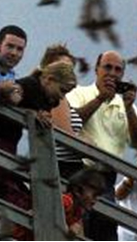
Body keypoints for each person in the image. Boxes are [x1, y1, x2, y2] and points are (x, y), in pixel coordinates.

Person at [0, 60, 78, 230]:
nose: (62, 97)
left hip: (7, 146)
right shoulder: (31, 85)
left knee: (0, 194)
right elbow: (16, 94)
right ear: (48, 80)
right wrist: (27, 109)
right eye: (62, 90)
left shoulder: (49, 99)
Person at [67, 51, 137, 241]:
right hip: (79, 170)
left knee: (106, 231)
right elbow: (71, 122)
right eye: (107, 67)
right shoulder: (79, 93)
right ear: (96, 69)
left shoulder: (127, 106)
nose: (112, 73)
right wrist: (100, 98)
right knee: (78, 227)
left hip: (107, 179)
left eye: (118, 69)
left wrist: (128, 109)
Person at [38, 44, 89, 179]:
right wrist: (90, 145)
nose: (66, 72)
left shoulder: (60, 97)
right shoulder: (55, 99)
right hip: (62, 167)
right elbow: (67, 137)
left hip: (67, 166)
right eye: (62, 66)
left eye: (70, 69)